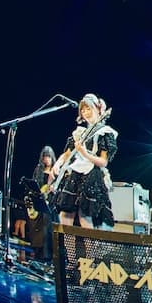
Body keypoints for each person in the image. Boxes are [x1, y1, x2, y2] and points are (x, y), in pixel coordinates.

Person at [50, 94, 117, 229]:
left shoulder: (105, 132)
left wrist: (85, 153)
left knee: (84, 215)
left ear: (97, 109)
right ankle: (66, 243)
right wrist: (58, 163)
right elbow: (68, 153)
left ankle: (89, 244)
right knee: (65, 214)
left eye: (88, 109)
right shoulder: (80, 132)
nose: (85, 112)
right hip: (75, 174)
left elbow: (103, 162)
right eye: (83, 110)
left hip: (91, 175)